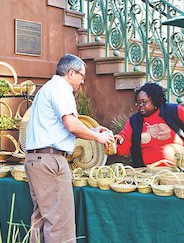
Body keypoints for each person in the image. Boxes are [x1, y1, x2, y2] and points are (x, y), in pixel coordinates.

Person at [25, 54, 114, 243]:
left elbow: (58, 129)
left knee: (41, 220)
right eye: (81, 76)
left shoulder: (47, 88)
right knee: (59, 223)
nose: (82, 82)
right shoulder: (61, 88)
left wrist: (90, 130)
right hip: (51, 161)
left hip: (37, 160)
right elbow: (71, 125)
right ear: (71, 73)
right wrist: (98, 136)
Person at [115, 82, 184, 168]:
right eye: (138, 103)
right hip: (148, 172)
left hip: (181, 169)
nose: (140, 105)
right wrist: (117, 141)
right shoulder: (134, 121)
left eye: (144, 102)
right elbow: (123, 145)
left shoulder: (174, 111)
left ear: (155, 100)